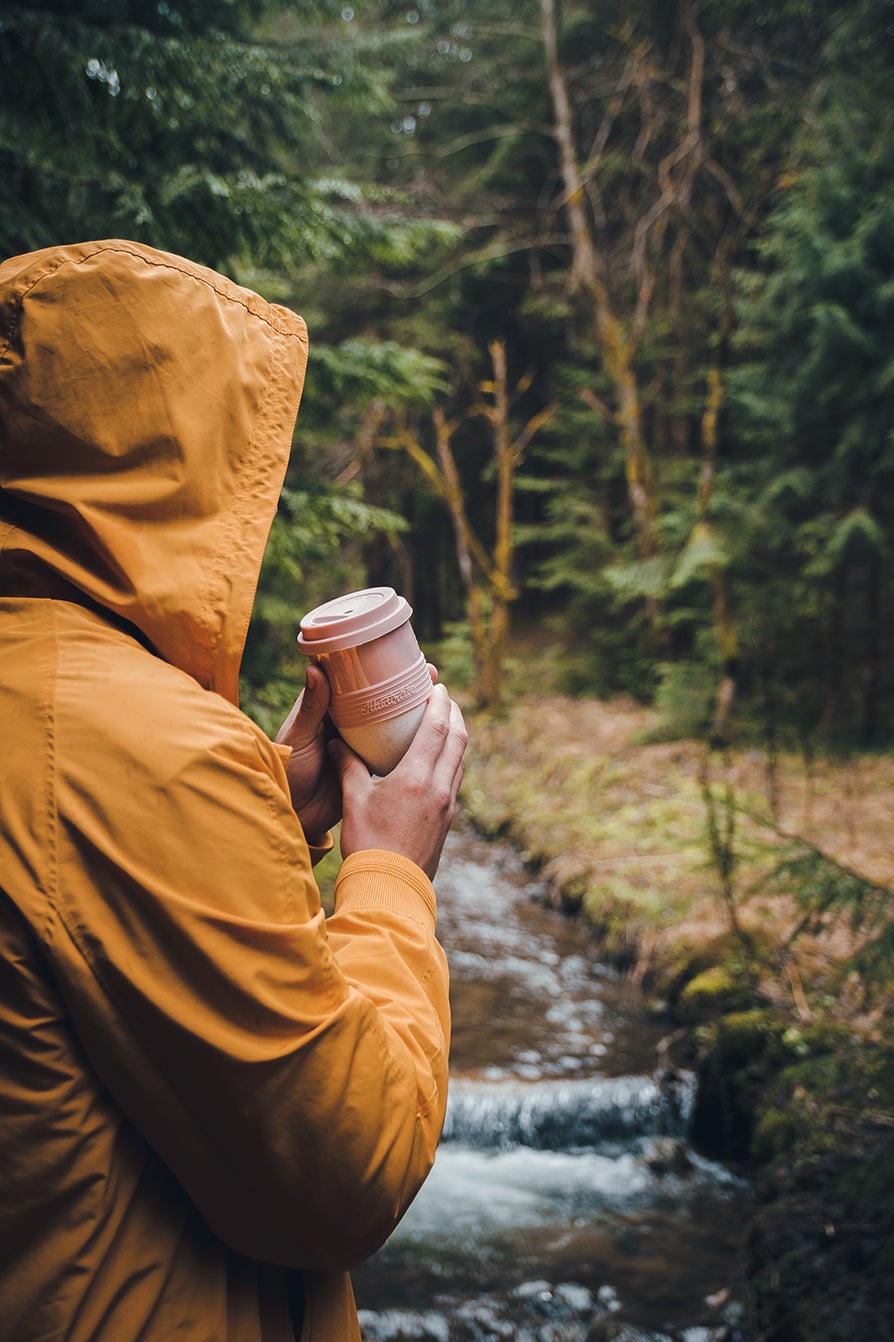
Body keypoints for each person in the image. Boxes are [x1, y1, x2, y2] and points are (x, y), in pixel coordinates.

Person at [0, 239, 467, 1342]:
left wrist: (263, 807)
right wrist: (390, 872)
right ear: (165, 467)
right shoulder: (136, 745)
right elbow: (346, 1173)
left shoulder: (60, 709)